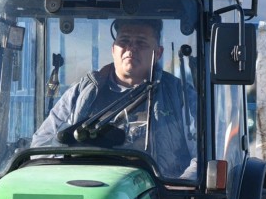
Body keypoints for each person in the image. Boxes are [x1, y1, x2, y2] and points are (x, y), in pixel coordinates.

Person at [31, 18, 196, 179]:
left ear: (158, 53)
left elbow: (204, 156)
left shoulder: (179, 94)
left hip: (160, 198)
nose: (131, 49)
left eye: (141, 42)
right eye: (124, 41)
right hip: (87, 193)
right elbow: (41, 146)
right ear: (113, 49)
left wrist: (180, 185)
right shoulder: (82, 92)